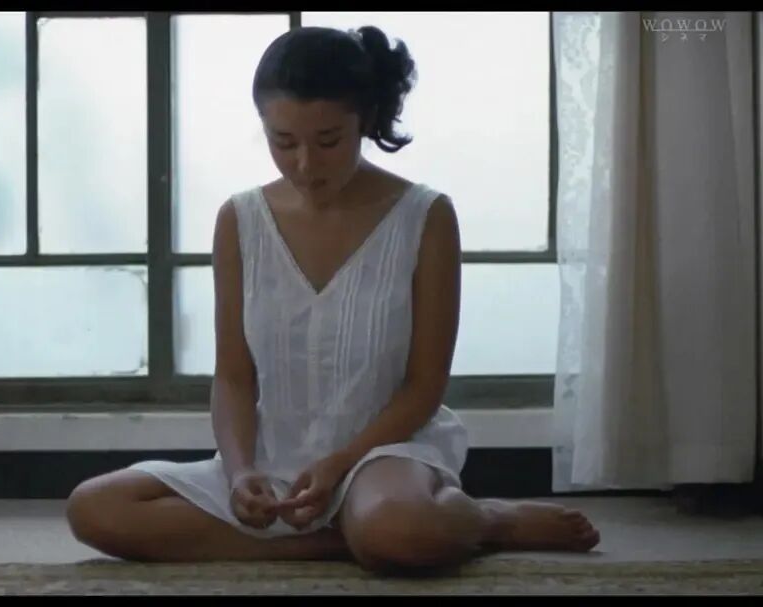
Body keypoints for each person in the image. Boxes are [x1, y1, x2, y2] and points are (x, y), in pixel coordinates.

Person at [65, 24, 600, 574]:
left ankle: (487, 520)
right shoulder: (240, 220)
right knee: (95, 508)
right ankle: (347, 539)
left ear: (364, 121)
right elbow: (234, 378)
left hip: (384, 456)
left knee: (399, 527)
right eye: (283, 142)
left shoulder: (426, 217)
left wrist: (341, 462)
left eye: (327, 142)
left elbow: (424, 387)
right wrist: (241, 472)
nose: (304, 165)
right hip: (275, 459)